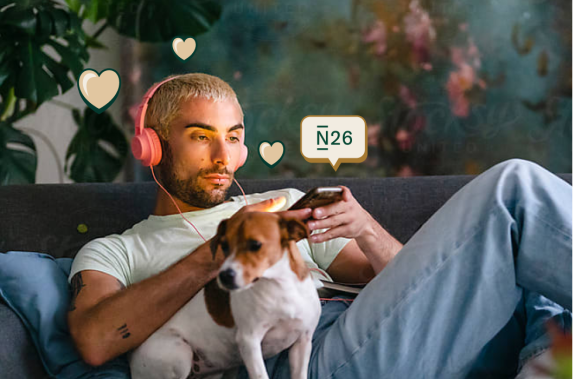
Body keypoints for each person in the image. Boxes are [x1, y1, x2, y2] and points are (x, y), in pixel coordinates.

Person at [66, 73, 573, 379]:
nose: (224, 156)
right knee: (516, 190)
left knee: (538, 271)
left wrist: (367, 230)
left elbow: (419, 297)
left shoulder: (285, 204)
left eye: (234, 138)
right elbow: (94, 340)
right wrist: (224, 249)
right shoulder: (116, 251)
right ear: (151, 145)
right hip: (310, 362)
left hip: (382, 341)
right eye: (202, 137)